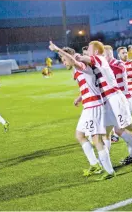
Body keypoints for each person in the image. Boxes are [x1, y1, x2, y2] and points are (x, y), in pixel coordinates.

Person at [76, 41, 132, 169]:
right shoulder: (100, 65)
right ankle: (105, 164)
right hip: (108, 101)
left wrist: (76, 57)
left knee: (130, 128)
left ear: (97, 52)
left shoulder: (104, 61)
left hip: (117, 98)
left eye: (89, 50)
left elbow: (88, 59)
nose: (87, 52)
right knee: (107, 132)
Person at [49, 41, 115, 180]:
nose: (63, 62)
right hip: (88, 106)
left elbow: (74, 61)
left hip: (94, 106)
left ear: (70, 56)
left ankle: (109, 171)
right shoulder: (78, 67)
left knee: (97, 139)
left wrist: (57, 49)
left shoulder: (81, 64)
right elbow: (89, 84)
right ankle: (95, 164)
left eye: (64, 59)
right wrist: (80, 97)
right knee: (80, 135)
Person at [103, 45, 132, 165]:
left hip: (123, 99)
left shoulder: (116, 65)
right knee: (119, 129)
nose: (103, 57)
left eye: (105, 55)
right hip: (118, 100)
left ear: (111, 54)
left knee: (130, 127)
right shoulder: (110, 65)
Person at [117, 46, 132, 125]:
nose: (125, 54)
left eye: (126, 52)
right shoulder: (117, 65)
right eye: (123, 53)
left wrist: (125, 74)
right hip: (123, 94)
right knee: (125, 115)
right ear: (119, 55)